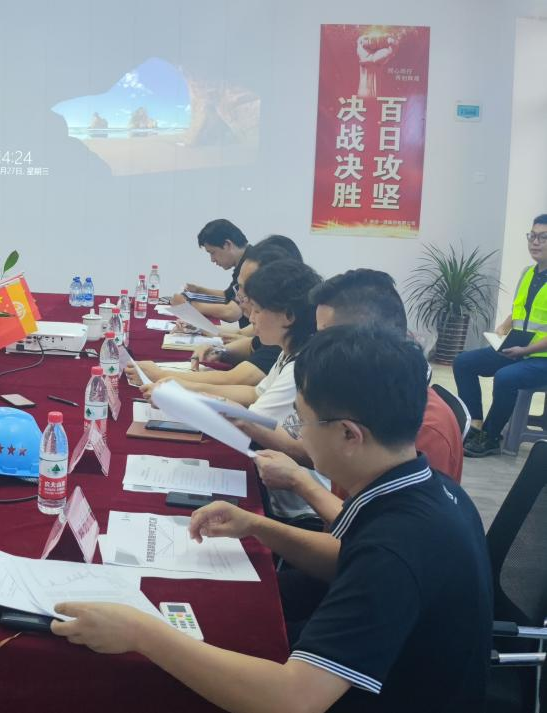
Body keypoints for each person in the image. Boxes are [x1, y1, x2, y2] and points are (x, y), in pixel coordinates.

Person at [53, 326, 492, 713]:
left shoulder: (396, 547)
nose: (295, 433)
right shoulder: (429, 487)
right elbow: (349, 558)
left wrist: (140, 632)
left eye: (302, 420)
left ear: (348, 434)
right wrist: (257, 526)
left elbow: (291, 700)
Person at [245, 270, 464, 524]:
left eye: (327, 336)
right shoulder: (360, 397)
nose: (316, 346)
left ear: (368, 339)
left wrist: (297, 483)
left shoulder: (421, 429)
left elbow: (372, 534)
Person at [149, 260, 326, 522]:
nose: (251, 318)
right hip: (278, 488)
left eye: (257, 310)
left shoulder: (302, 365)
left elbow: (251, 420)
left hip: (294, 509)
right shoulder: (290, 351)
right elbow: (255, 396)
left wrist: (187, 396)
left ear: (288, 316)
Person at [131, 241, 297, 388]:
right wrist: (220, 350)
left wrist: (161, 376)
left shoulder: (287, 337)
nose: (239, 296)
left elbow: (240, 383)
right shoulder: (275, 326)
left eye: (245, 288)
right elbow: (245, 339)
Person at [455, 214, 547, 456]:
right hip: (519, 349)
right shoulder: (528, 273)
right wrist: (504, 327)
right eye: (532, 236)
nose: (535, 242)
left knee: (506, 377)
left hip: (541, 359)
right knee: (463, 362)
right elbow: (521, 310)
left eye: (543, 237)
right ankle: (474, 424)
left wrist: (525, 350)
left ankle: (491, 436)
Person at [171, 218, 249, 324]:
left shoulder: (252, 266)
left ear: (227, 244)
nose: (212, 260)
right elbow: (227, 295)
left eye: (212, 252)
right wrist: (198, 290)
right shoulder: (244, 261)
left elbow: (231, 313)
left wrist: (188, 306)